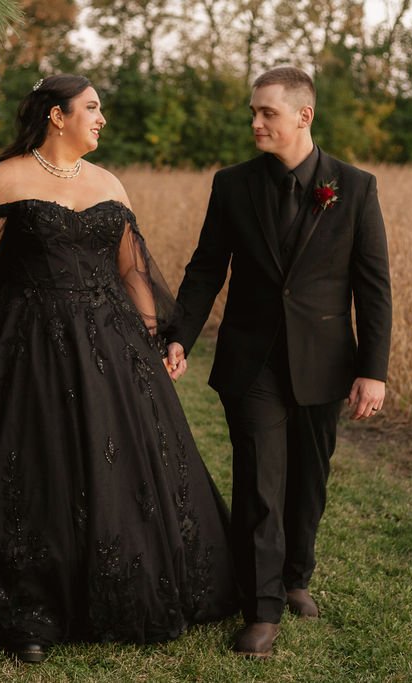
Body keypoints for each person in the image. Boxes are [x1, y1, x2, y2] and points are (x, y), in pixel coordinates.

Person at [0, 74, 237, 663]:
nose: (102, 119)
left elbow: (131, 271)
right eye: (92, 108)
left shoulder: (109, 183)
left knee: (115, 463)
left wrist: (156, 338)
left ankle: (116, 580)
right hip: (25, 346)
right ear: (55, 115)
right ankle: (28, 607)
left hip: (111, 349)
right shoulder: (4, 179)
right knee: (32, 465)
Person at [165, 66, 392, 658]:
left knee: (309, 482)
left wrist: (374, 369)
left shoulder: (355, 186)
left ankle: (295, 577)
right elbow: (207, 267)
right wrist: (180, 335)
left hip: (324, 360)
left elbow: (373, 288)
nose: (255, 122)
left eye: (267, 112)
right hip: (252, 361)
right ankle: (261, 609)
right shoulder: (233, 185)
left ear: (304, 115)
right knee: (261, 481)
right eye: (253, 112)